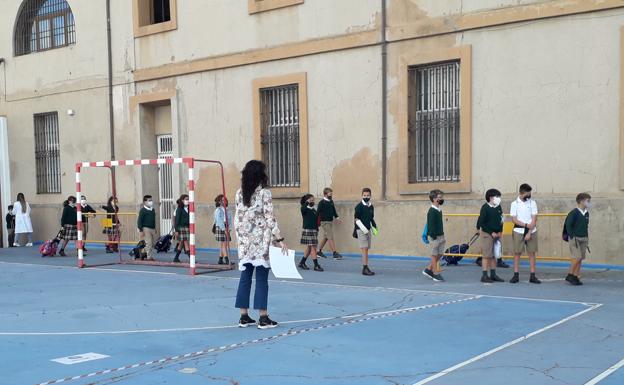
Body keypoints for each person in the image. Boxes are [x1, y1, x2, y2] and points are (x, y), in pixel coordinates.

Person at [234, 160, 287, 329]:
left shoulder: (239, 193)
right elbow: (270, 218)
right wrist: (279, 239)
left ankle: (243, 316)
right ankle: (263, 317)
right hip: (261, 241)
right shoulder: (265, 193)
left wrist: (241, 239)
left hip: (244, 242)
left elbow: (238, 217)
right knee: (262, 279)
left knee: (245, 278)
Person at [510, 184, 540, 284]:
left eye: (530, 193)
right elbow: (514, 219)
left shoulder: (532, 203)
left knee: (531, 253)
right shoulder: (514, 204)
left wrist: (529, 231)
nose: (529, 195)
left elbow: (534, 218)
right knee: (517, 253)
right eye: (528, 193)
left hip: (532, 230)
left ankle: (532, 275)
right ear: (521, 193)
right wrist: (526, 225)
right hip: (518, 231)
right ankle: (515, 274)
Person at [476, 189, 505, 283]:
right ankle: (484, 275)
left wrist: (500, 231)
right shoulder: (485, 208)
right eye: (497, 197)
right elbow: (481, 223)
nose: (499, 199)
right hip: (487, 234)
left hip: (496, 234)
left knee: (493, 255)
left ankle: (493, 274)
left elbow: (501, 220)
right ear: (491, 198)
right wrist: (490, 232)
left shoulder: (498, 207)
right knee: (486, 255)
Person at [564, 193, 591, 286]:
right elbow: (568, 225)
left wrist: (586, 237)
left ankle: (576, 276)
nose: (589, 203)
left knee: (580, 258)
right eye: (588, 201)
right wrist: (572, 236)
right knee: (577, 256)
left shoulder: (586, 213)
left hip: (584, 238)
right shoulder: (574, 213)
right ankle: (570, 274)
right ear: (581, 201)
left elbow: (586, 226)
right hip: (575, 238)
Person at [298, 193, 324, 272]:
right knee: (313, 247)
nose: (313, 201)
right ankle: (316, 265)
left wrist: (317, 228)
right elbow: (303, 209)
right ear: (307, 200)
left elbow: (316, 219)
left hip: (314, 230)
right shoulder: (304, 208)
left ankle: (302, 263)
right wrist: (307, 202)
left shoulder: (313, 209)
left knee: (310, 247)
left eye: (313, 200)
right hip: (308, 229)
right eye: (311, 200)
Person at [354, 188, 377, 276]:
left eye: (368, 195)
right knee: (364, 249)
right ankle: (365, 268)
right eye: (364, 195)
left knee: (367, 249)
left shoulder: (371, 206)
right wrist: (363, 229)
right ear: (362, 195)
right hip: (361, 230)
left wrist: (374, 226)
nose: (366, 197)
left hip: (368, 230)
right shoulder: (359, 206)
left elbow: (371, 218)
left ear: (370, 196)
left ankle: (366, 266)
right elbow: (356, 219)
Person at [423, 189, 445, 282]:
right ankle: (435, 273)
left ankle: (428, 269)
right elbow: (431, 225)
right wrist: (433, 236)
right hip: (434, 236)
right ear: (434, 199)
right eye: (439, 198)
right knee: (434, 254)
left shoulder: (439, 210)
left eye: (441, 197)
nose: (441, 199)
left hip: (441, 235)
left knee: (440, 254)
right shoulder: (432, 211)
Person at [317, 187, 343, 260]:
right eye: (329, 194)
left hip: (330, 222)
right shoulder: (321, 203)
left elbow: (334, 211)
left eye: (331, 194)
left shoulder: (331, 201)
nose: (331, 195)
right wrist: (316, 222)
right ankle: (334, 253)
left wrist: (337, 218)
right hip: (324, 222)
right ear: (325, 194)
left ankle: (319, 251)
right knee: (330, 237)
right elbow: (317, 213)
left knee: (326, 237)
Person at [214, 194, 233, 265]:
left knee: (222, 244)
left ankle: (220, 259)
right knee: (224, 244)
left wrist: (229, 228)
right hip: (221, 227)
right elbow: (219, 221)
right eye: (222, 200)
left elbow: (230, 220)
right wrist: (224, 229)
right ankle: (227, 260)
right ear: (219, 202)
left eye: (225, 200)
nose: (224, 201)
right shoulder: (218, 210)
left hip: (226, 227)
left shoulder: (228, 210)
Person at [137, 195, 157, 261]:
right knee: (149, 243)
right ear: (145, 202)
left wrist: (155, 228)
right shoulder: (143, 210)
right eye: (149, 200)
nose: (151, 202)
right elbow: (139, 221)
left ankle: (142, 252)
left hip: (152, 228)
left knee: (153, 243)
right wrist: (141, 230)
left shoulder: (152, 209)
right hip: (146, 228)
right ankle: (149, 257)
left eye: (151, 200)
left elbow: (153, 220)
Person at [172, 194, 190, 263]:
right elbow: (177, 220)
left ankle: (176, 258)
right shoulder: (179, 209)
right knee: (186, 242)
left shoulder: (189, 208)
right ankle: (191, 259)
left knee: (181, 243)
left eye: (188, 199)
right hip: (181, 228)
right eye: (186, 199)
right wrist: (176, 230)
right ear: (182, 200)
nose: (187, 201)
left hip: (186, 228)